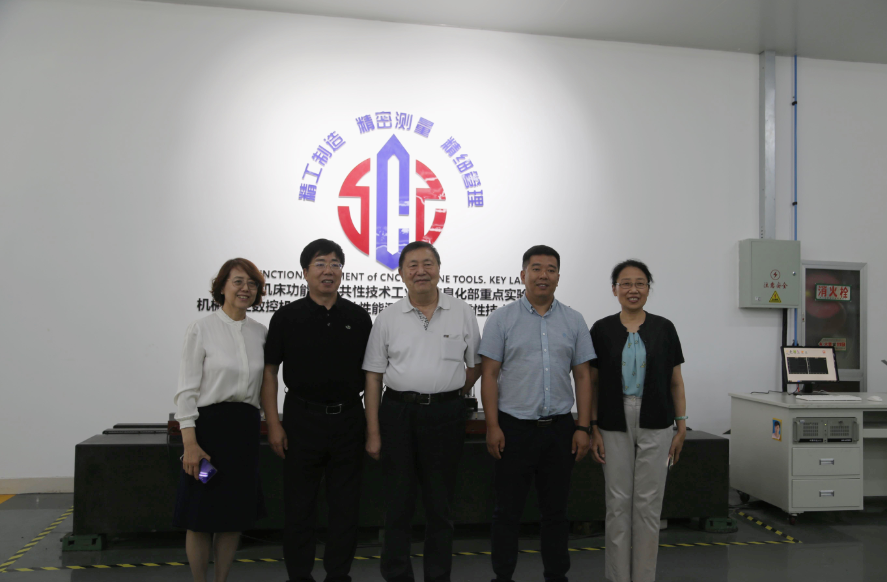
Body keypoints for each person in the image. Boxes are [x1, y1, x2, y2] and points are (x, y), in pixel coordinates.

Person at [363, 241, 481, 582]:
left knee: (440, 506)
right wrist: (373, 432)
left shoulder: (462, 311)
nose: (420, 271)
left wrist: (448, 390)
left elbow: (474, 365)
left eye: (427, 263)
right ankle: (397, 575)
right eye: (412, 265)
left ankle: (437, 576)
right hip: (398, 414)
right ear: (401, 273)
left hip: (446, 416)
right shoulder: (388, 317)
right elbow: (373, 377)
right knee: (398, 504)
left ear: (439, 269)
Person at [479, 245, 595, 582]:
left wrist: (583, 427)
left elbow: (583, 376)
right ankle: (502, 577)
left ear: (558, 276)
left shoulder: (574, 320)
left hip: (559, 429)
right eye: (536, 268)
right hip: (513, 429)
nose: (543, 275)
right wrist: (492, 426)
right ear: (523, 275)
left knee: (556, 512)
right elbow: (489, 375)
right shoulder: (502, 318)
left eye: (551, 269)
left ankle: (556, 576)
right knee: (506, 512)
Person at [261, 239, 373, 582]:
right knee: (299, 506)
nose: (329, 270)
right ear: (305, 272)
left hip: (349, 419)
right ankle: (299, 575)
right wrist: (274, 424)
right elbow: (269, 372)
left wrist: (372, 428)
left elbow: (373, 375)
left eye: (336, 264)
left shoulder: (359, 317)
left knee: (345, 506)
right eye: (321, 263)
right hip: (301, 420)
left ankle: (338, 575)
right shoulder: (286, 317)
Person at [588, 259, 687, 582]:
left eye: (640, 283)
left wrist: (681, 426)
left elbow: (676, 382)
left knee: (648, 505)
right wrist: (592, 427)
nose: (633, 289)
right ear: (614, 289)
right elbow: (592, 384)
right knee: (617, 503)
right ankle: (617, 577)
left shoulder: (664, 328)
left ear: (648, 288)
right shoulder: (601, 329)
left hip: (657, 418)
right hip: (612, 420)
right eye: (626, 283)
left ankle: (644, 577)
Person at [173, 258, 268, 582]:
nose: (245, 289)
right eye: (238, 282)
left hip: (244, 433)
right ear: (222, 287)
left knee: (233, 516)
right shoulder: (201, 329)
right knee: (200, 515)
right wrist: (190, 444)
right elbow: (186, 391)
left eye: (252, 284)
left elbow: (264, 386)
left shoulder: (260, 333)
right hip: (207, 435)